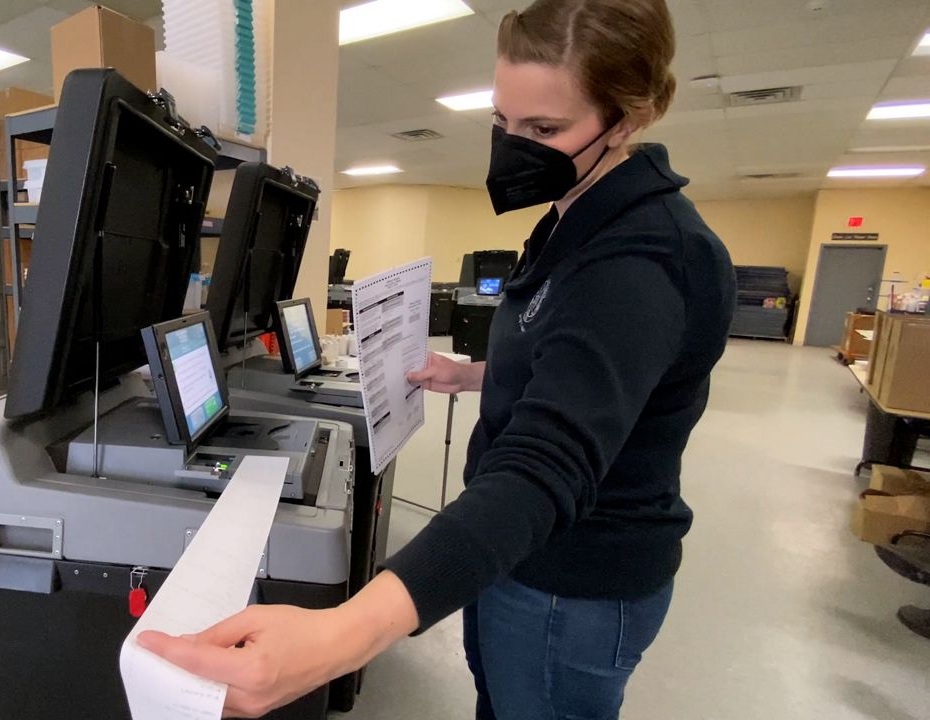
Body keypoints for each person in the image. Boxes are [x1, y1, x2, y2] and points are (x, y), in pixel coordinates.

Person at [139, 0, 737, 717]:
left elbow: (547, 464)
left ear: (632, 117)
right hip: (521, 561)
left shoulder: (641, 260)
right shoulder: (577, 209)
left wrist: (341, 634)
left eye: (545, 129)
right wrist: (478, 374)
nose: (515, 146)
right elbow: (585, 364)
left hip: (570, 579)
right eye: (501, 121)